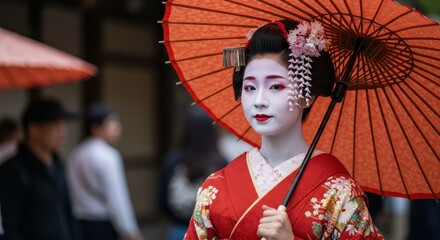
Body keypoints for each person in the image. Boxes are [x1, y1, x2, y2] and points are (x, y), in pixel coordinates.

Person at [184, 20, 384, 239]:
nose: (259, 101)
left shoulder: (340, 193)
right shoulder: (215, 186)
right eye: (250, 87)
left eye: (276, 86)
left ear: (307, 96)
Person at [0, 98, 79, 240]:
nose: (62, 132)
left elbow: (67, 212)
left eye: (63, 125)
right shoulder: (13, 171)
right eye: (55, 125)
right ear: (34, 129)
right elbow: (10, 226)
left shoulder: (57, 164)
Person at [67, 103, 142, 240]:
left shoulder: (76, 153)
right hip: (102, 224)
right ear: (95, 128)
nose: (118, 128)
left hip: (79, 223)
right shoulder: (108, 156)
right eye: (111, 123)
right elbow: (117, 199)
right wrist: (131, 231)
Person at [159, 106, 227, 240]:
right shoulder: (222, 165)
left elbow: (161, 201)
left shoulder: (172, 161)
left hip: (178, 229)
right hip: (210, 234)